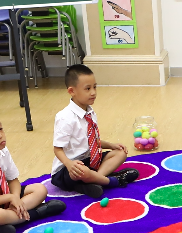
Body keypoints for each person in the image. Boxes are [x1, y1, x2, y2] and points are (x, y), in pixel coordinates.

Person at [51, 64, 137, 198]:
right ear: (72, 91)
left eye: (95, 87)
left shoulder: (90, 112)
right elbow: (57, 149)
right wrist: (69, 164)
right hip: (68, 170)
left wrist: (111, 145)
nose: (93, 92)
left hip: (90, 162)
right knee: (82, 170)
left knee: (120, 153)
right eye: (88, 89)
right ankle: (112, 181)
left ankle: (94, 180)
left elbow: (92, 141)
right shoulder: (65, 117)